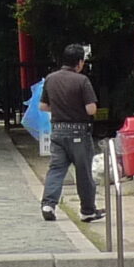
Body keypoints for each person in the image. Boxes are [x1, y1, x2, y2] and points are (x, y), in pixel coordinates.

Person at [38, 43, 103, 223]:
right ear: (80, 62)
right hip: (79, 132)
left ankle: (48, 204)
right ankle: (88, 210)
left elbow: (42, 106)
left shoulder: (50, 79)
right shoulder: (82, 81)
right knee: (83, 172)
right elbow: (91, 109)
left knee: (56, 168)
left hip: (57, 131)